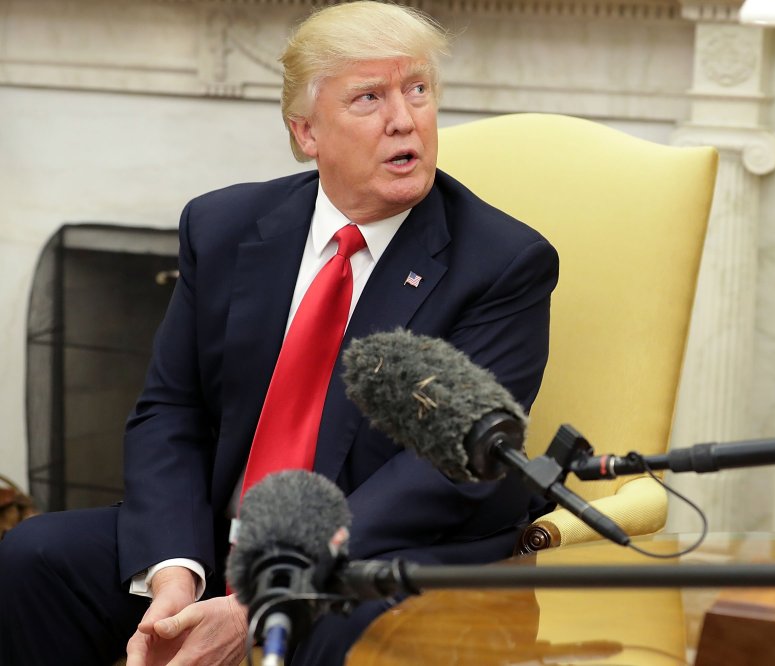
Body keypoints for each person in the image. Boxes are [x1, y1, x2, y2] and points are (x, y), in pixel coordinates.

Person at [0, 2, 558, 664]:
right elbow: (170, 409)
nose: (404, 119)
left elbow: (442, 473)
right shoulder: (225, 226)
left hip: (381, 557)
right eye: (369, 97)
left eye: (418, 91)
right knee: (35, 557)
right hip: (221, 539)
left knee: (333, 637)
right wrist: (173, 573)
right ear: (306, 133)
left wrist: (267, 598)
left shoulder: (501, 263)